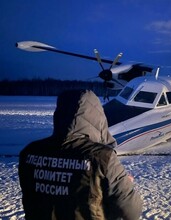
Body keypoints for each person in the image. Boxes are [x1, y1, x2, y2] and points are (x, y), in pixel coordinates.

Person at [18, 89, 142, 220]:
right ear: (97, 116)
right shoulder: (103, 157)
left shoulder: (30, 152)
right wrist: (123, 184)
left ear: (59, 114)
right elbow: (131, 211)